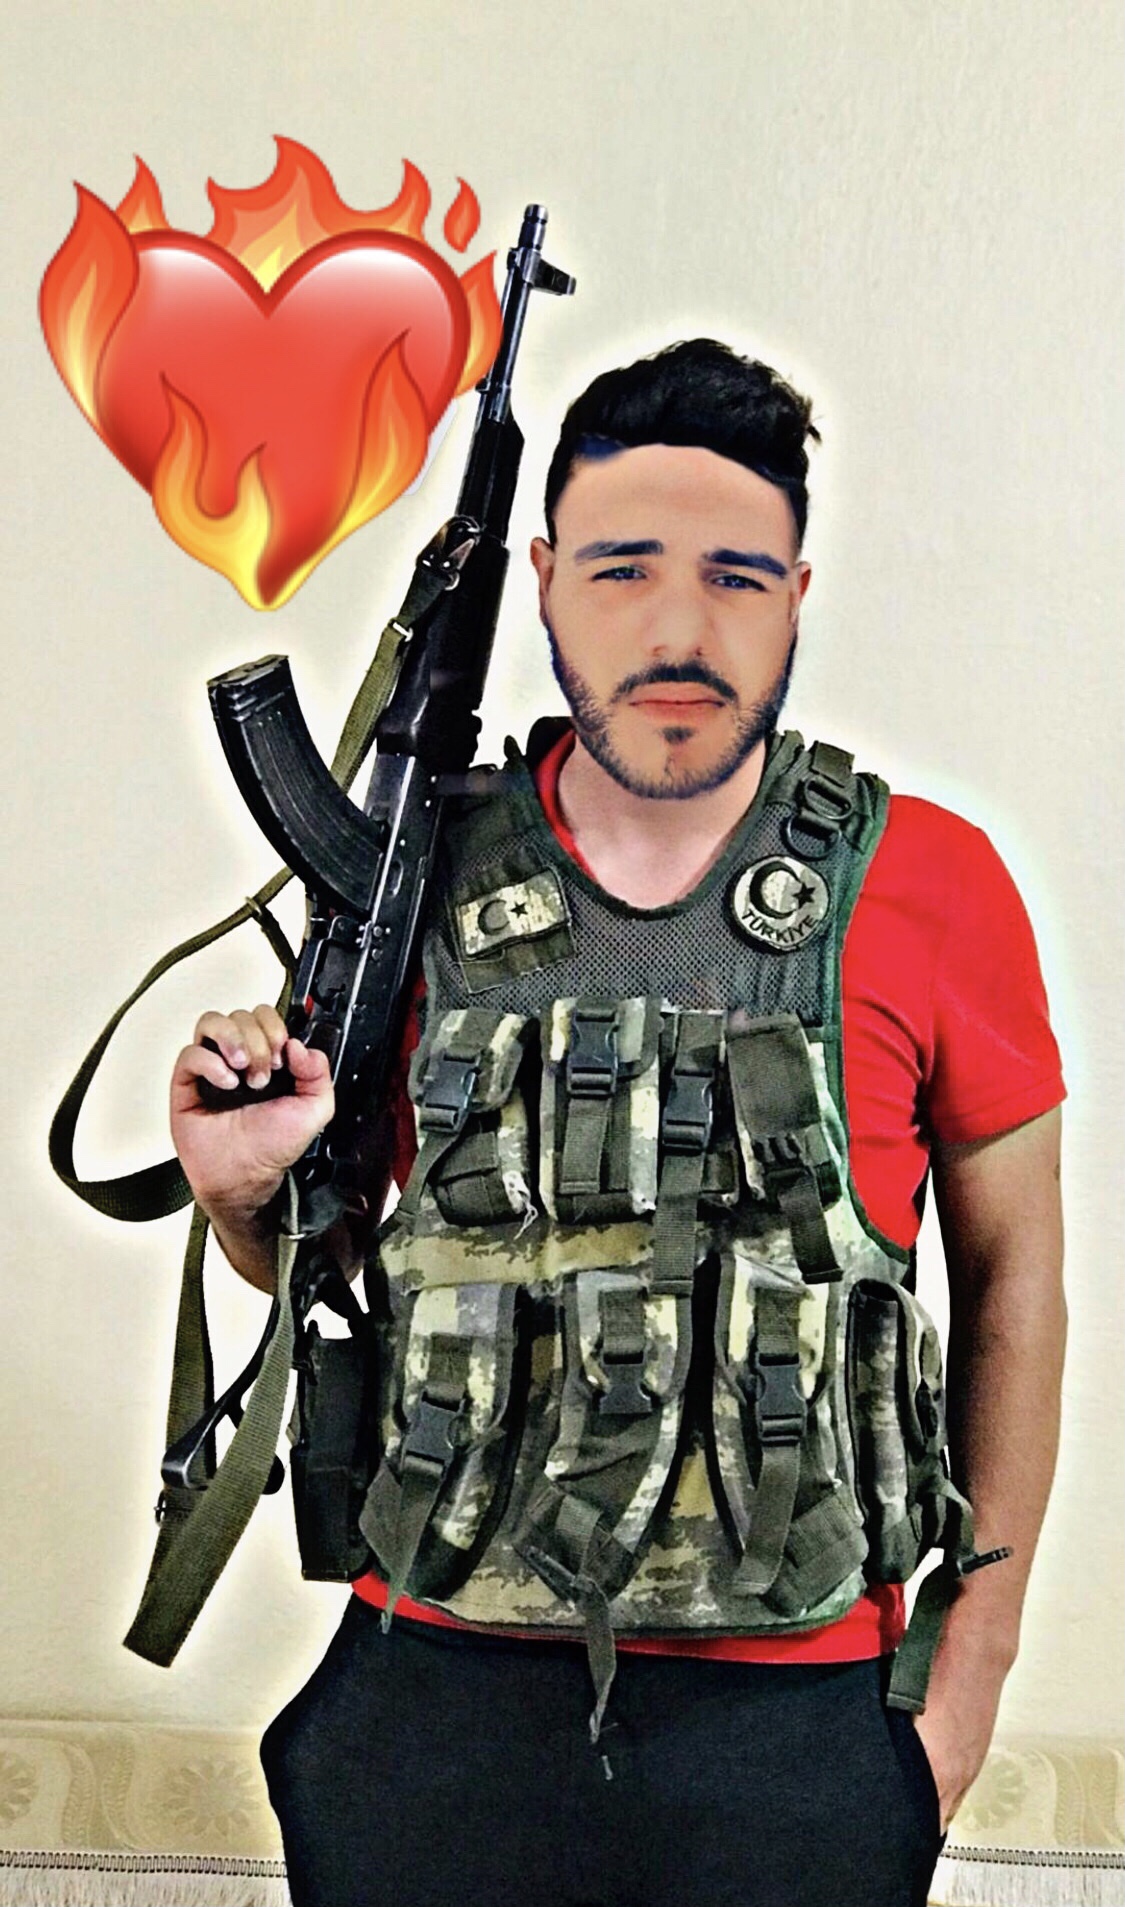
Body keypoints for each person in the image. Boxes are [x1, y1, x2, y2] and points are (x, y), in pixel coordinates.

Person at [171, 341, 1066, 1907]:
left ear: (796, 594)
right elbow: (337, 1269)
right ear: (540, 581)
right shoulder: (405, 880)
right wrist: (246, 1194)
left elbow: (1018, 1288)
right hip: (430, 1698)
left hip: (797, 1720)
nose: (674, 630)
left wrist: (967, 1669)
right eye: (621, 569)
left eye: (734, 577)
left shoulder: (931, 883)